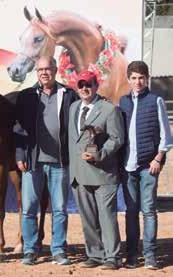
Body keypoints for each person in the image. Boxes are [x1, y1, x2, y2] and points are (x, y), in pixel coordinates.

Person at [14, 56, 78, 265]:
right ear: (37, 72)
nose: (44, 73)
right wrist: (20, 154)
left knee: (59, 209)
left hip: (60, 162)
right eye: (40, 69)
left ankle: (58, 250)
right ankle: (31, 250)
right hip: (33, 162)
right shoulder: (26, 96)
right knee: (29, 209)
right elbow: (18, 129)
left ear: (55, 69)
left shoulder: (68, 94)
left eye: (48, 69)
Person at [68, 70, 124, 270]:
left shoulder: (109, 109)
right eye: (81, 84)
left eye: (89, 84)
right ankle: (95, 254)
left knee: (107, 218)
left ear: (96, 85)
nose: (84, 88)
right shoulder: (73, 107)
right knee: (88, 219)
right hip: (79, 174)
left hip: (103, 173)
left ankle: (113, 257)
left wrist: (100, 154)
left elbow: (117, 139)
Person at [119, 61, 172, 270]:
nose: (137, 81)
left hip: (149, 166)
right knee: (131, 211)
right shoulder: (122, 102)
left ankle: (150, 255)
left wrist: (158, 158)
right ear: (128, 79)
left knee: (149, 211)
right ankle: (132, 255)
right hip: (127, 166)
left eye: (141, 77)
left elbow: (165, 135)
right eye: (133, 77)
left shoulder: (155, 100)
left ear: (147, 78)